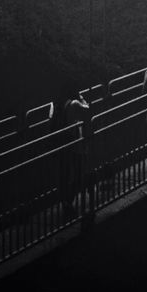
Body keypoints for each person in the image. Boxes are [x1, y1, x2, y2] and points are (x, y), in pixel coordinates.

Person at [55, 83, 91, 214]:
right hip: (75, 142)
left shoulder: (59, 104)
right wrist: (82, 99)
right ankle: (69, 201)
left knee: (65, 173)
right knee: (78, 173)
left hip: (64, 142)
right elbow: (88, 109)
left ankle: (65, 201)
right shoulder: (75, 103)